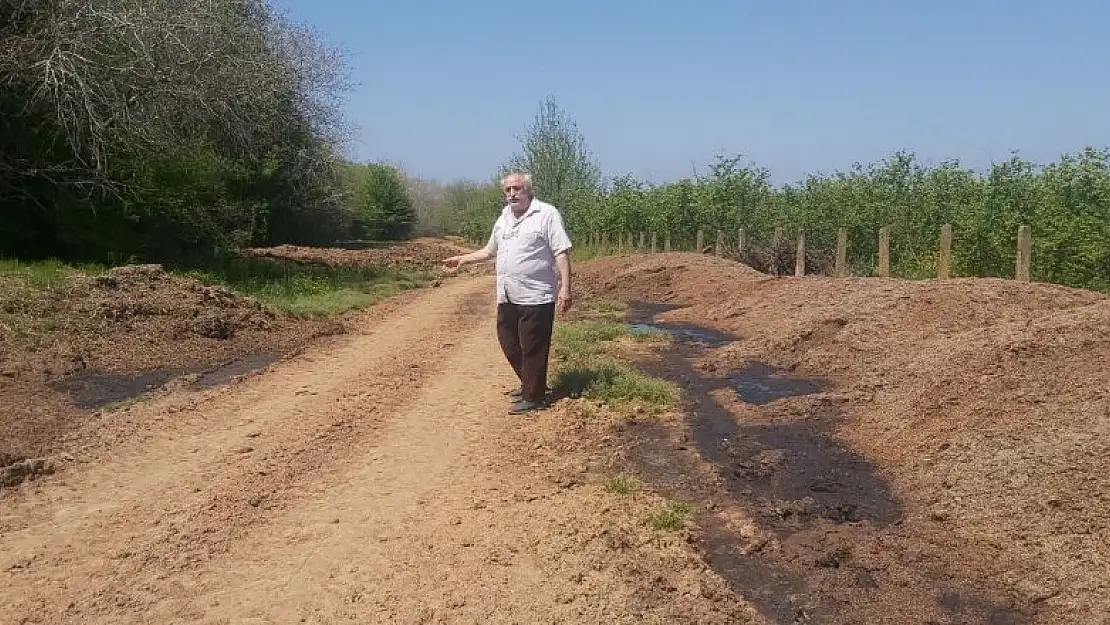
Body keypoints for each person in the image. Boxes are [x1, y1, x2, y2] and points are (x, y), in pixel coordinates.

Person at [442, 172, 573, 414]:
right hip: (507, 294)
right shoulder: (504, 217)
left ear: (528, 191)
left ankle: (534, 397)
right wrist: (463, 259)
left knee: (533, 347)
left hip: (536, 295)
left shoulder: (546, 214)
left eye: (517, 188)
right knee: (508, 341)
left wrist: (565, 288)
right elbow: (489, 250)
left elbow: (561, 252)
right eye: (508, 190)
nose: (512, 194)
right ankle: (531, 385)